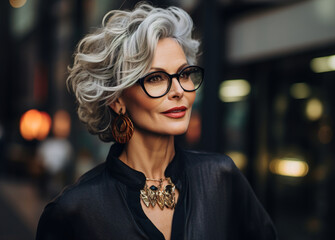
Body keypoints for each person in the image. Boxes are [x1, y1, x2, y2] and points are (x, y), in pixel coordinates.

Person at [36, 3, 277, 240]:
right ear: (116, 100)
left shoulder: (220, 177)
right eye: (156, 78)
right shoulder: (75, 210)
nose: (178, 90)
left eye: (184, 74)